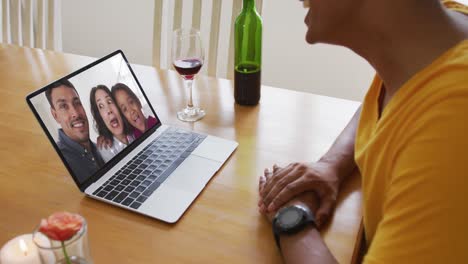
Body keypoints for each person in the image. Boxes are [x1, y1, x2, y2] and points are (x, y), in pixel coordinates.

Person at [258, 0, 468, 263]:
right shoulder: (432, 40)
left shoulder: (454, 120)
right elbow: (392, 96)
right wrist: (330, 165)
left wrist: (291, 219)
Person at [45, 79, 105, 183]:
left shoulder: (100, 149)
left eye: (77, 103)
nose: (76, 113)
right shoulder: (60, 163)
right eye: (64, 106)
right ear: (55, 115)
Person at [90, 85, 135, 162]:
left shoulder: (135, 128)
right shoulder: (105, 149)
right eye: (101, 106)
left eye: (109, 101)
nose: (109, 110)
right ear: (100, 117)